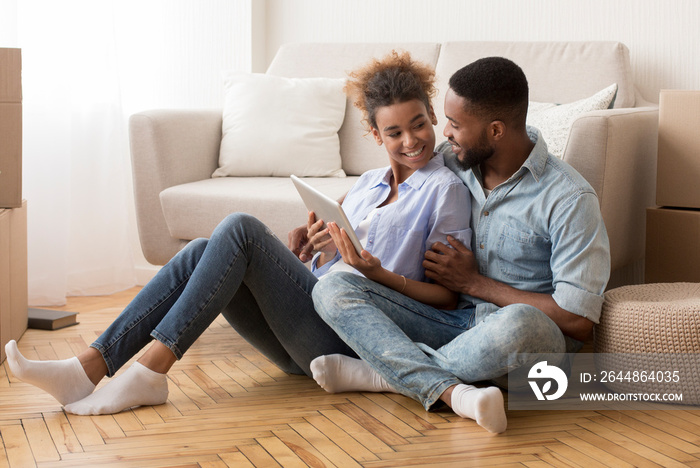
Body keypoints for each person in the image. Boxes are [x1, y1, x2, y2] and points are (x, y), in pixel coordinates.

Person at [4, 51, 474, 416]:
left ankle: (150, 370)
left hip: (352, 340)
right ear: (375, 134)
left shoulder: (445, 190)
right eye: (394, 132)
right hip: (308, 331)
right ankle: (87, 367)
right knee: (205, 250)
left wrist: (376, 272)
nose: (411, 141)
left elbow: (449, 301)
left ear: (432, 115)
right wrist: (309, 251)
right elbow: (333, 262)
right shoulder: (368, 184)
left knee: (240, 229)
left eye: (418, 124)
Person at [309, 57, 611, 434]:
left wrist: (476, 284)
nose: (443, 131)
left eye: (455, 124)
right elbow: (385, 185)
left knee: (522, 324)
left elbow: (579, 323)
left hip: (523, 346)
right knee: (334, 287)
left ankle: (382, 374)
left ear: (495, 130)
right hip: (449, 325)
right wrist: (324, 226)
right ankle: (445, 384)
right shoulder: (454, 160)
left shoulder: (569, 199)